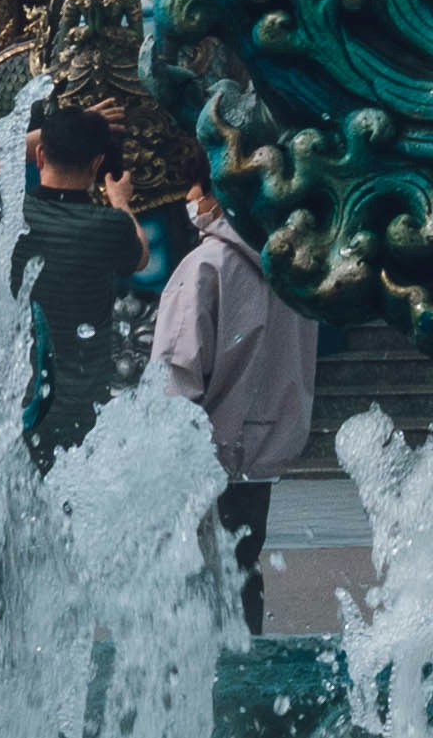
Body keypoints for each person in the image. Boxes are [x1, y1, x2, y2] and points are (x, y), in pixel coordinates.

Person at [153, 184, 322, 627]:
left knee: (196, 582)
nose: (188, 196)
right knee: (242, 569)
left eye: (194, 185)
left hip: (207, 454)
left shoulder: (207, 266)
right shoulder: (293, 271)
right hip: (264, 451)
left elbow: (177, 371)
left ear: (217, 195)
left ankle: (207, 687)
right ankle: (248, 674)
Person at [14, 103, 146, 460]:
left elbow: (1, 155)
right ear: (95, 164)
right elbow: (141, 256)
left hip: (19, 404)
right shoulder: (110, 226)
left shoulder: (11, 214)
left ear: (39, 156)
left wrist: (59, 130)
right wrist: (121, 202)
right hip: (83, 409)